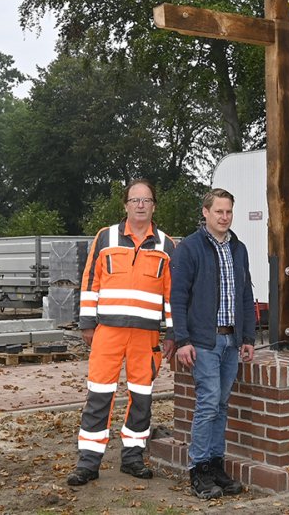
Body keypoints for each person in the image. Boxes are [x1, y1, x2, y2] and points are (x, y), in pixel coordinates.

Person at [66, 180, 177, 486]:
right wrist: (87, 323)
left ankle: (132, 458)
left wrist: (174, 333)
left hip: (146, 338)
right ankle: (88, 462)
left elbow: (173, 294)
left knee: (141, 398)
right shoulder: (106, 237)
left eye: (146, 200)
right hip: (108, 332)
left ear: (154, 205)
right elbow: (90, 281)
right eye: (135, 200)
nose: (140, 205)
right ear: (125, 205)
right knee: (99, 395)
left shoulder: (167, 245)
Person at [170, 188, 256, 500]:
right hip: (203, 342)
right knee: (208, 403)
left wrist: (248, 337)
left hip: (231, 340)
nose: (224, 217)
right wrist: (182, 340)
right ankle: (199, 470)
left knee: (221, 404)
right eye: (218, 211)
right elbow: (177, 297)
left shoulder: (239, 248)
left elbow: (246, 294)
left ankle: (217, 466)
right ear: (205, 213)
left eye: (228, 212)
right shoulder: (190, 248)